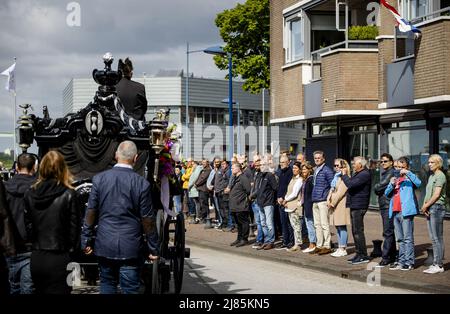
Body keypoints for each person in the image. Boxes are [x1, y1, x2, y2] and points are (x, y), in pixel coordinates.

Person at [82, 141, 159, 294]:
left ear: (116, 155)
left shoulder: (99, 179)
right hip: (130, 246)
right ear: (136, 158)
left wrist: (86, 239)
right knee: (130, 289)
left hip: (105, 243)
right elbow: (147, 219)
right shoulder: (141, 184)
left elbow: (91, 212)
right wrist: (153, 247)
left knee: (107, 284)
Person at [24, 151, 81, 294]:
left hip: (37, 257)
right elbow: (74, 231)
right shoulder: (69, 194)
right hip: (61, 256)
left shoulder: (30, 194)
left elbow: (29, 227)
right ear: (63, 168)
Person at [4, 153, 37, 294]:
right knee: (28, 288)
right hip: (31, 244)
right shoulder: (37, 188)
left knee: (13, 287)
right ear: (34, 168)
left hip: (10, 243)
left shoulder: (5, 188)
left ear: (17, 167)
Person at [385, 157, 421, 271]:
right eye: (397, 167)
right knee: (399, 239)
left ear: (406, 167)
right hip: (395, 212)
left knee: (407, 238)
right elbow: (386, 193)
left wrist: (408, 173)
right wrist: (391, 184)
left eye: (402, 167)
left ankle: (409, 262)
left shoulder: (409, 179)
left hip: (406, 212)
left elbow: (419, 183)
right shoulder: (394, 179)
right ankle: (401, 261)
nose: (399, 169)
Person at [341, 156, 372, 265]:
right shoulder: (358, 173)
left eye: (354, 163)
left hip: (359, 206)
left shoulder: (364, 174)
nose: (353, 165)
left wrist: (344, 175)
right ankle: (359, 254)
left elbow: (350, 184)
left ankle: (363, 255)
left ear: (361, 165)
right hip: (355, 205)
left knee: (358, 231)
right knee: (355, 231)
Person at [421, 154, 446, 274]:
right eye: (429, 162)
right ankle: (436, 263)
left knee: (437, 238)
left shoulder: (440, 176)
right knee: (433, 238)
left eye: (432, 162)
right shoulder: (432, 176)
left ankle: (439, 265)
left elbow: (436, 195)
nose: (429, 164)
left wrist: (426, 205)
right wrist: (425, 205)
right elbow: (428, 193)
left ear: (438, 163)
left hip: (437, 207)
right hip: (431, 207)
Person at [373, 153, 397, 267]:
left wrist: (377, 187)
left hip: (388, 205)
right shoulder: (385, 172)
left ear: (391, 162)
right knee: (389, 231)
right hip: (385, 205)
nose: (383, 163)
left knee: (387, 232)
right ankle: (392, 256)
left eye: (385, 161)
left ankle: (386, 257)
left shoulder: (391, 172)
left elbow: (378, 187)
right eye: (381, 161)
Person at [311, 151, 334, 255]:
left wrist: (328, 198)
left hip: (323, 200)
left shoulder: (327, 170)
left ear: (323, 159)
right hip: (315, 200)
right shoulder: (316, 170)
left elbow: (333, 185)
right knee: (317, 224)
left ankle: (327, 245)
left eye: (319, 158)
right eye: (315, 158)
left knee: (324, 224)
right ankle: (319, 245)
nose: (317, 159)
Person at [327, 158, 351, 257]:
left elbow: (340, 192)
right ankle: (340, 247)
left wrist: (332, 202)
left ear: (344, 167)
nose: (336, 167)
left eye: (338, 166)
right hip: (334, 204)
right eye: (335, 165)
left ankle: (343, 248)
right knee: (337, 226)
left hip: (341, 204)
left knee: (342, 226)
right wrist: (328, 199)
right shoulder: (336, 177)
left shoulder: (345, 177)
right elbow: (332, 190)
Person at [229, 163, 251, 247]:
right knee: (238, 223)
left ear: (238, 169)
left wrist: (243, 199)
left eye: (233, 168)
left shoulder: (243, 178)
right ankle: (239, 238)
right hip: (235, 205)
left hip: (241, 205)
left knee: (244, 222)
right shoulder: (235, 178)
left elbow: (248, 190)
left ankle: (244, 239)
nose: (231, 169)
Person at [283, 162, 304, 252]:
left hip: (294, 205)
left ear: (299, 169)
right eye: (293, 168)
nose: (294, 170)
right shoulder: (293, 178)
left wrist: (286, 199)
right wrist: (286, 199)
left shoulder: (299, 179)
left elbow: (295, 193)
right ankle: (296, 243)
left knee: (296, 226)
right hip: (289, 205)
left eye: (296, 168)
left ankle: (298, 244)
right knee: (293, 225)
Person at [300, 162, 316, 253]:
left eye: (305, 169)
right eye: (302, 169)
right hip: (305, 205)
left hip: (309, 205)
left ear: (309, 170)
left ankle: (312, 244)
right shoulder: (305, 180)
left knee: (310, 225)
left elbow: (312, 194)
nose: (303, 171)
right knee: (308, 224)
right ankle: (312, 243)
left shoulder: (310, 179)